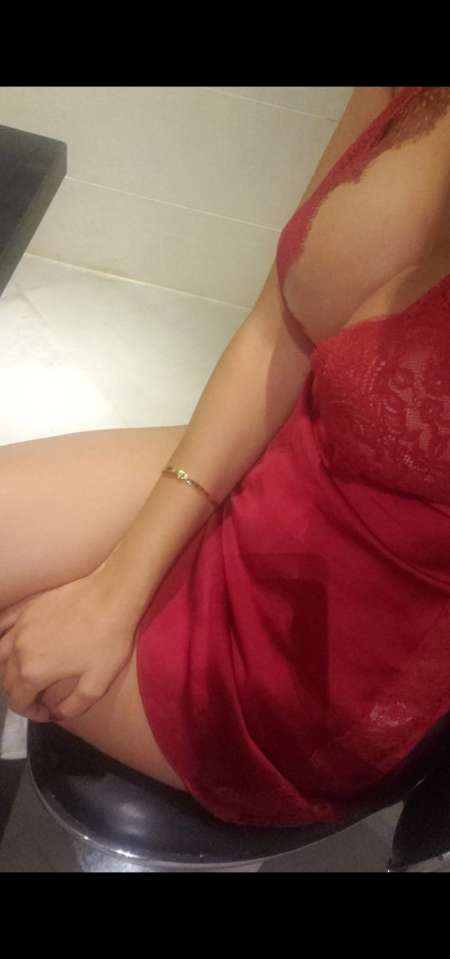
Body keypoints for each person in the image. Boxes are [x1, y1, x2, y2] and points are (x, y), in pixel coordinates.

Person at [1, 86, 450, 827]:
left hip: (327, 662)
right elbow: (281, 330)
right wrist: (117, 587)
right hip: (279, 471)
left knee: (21, 644)